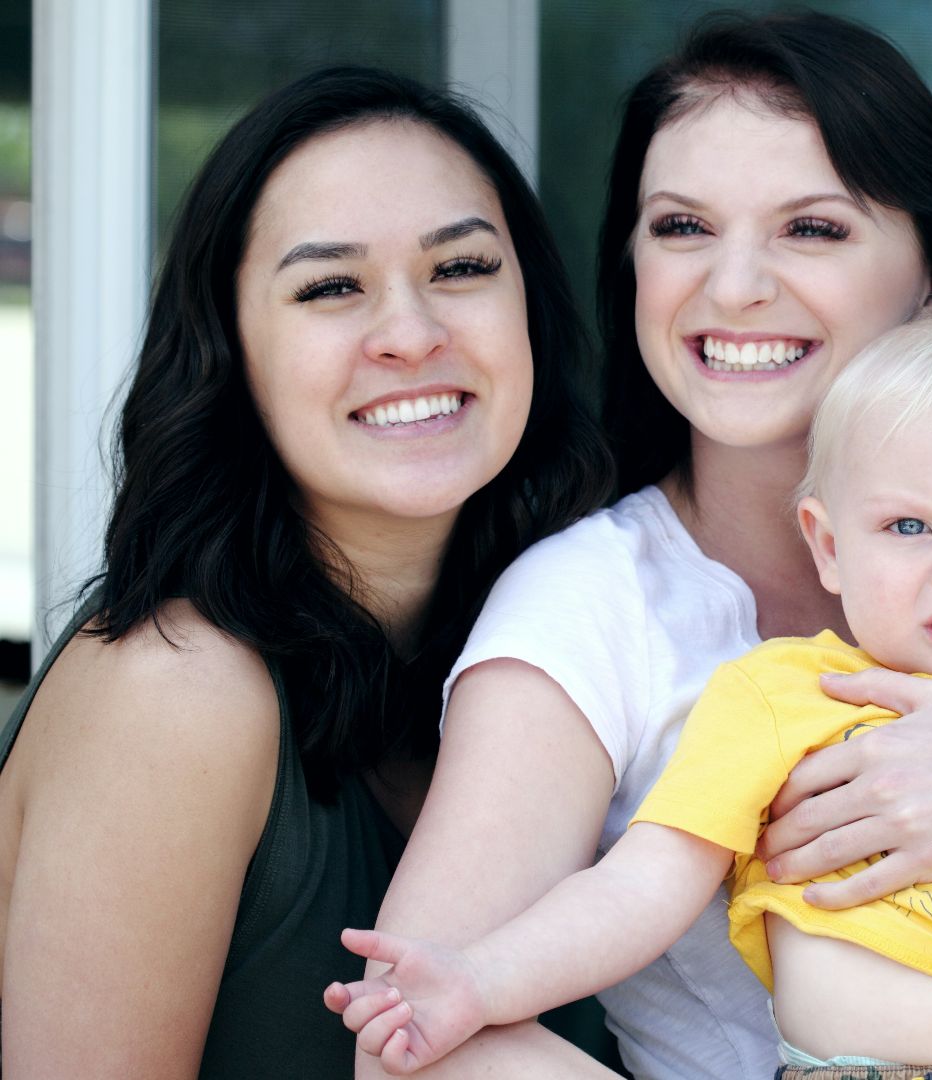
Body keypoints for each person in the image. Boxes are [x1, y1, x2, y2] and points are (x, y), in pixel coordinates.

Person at [357, 12, 932, 1079]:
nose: (734, 285)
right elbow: (407, 1046)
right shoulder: (588, 604)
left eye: (812, 229)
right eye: (683, 227)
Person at [330, 311, 932, 1077]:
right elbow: (642, 888)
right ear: (829, 544)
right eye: (909, 528)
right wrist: (477, 981)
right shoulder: (781, 696)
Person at [0, 68, 611, 1077]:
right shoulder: (176, 692)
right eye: (331, 287)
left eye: (461, 268)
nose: (412, 335)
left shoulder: (563, 646)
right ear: (231, 352)